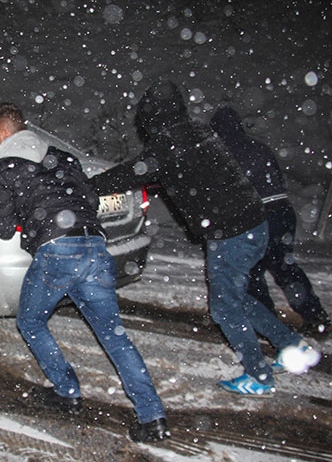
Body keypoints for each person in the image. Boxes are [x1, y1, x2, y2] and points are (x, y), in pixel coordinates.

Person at [90, 81, 320, 397]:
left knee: (225, 308)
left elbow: (128, 174)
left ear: (153, 116)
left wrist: (86, 187)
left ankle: (259, 375)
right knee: (237, 297)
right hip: (255, 224)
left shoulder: (168, 145)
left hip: (231, 234)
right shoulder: (197, 132)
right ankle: (293, 346)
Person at [0, 102, 169, 442]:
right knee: (114, 336)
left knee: (30, 321)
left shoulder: (2, 168)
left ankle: (67, 391)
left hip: (57, 252)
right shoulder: (64, 158)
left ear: (6, 132)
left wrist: (7, 216)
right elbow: (89, 201)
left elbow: (5, 229)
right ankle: (152, 415)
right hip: (96, 248)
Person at [210, 106, 331, 336]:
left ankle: (266, 322)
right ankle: (315, 316)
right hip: (283, 211)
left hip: (258, 215)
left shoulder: (222, 152)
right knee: (285, 266)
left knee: (252, 269)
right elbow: (276, 178)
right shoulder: (259, 147)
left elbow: (222, 192)